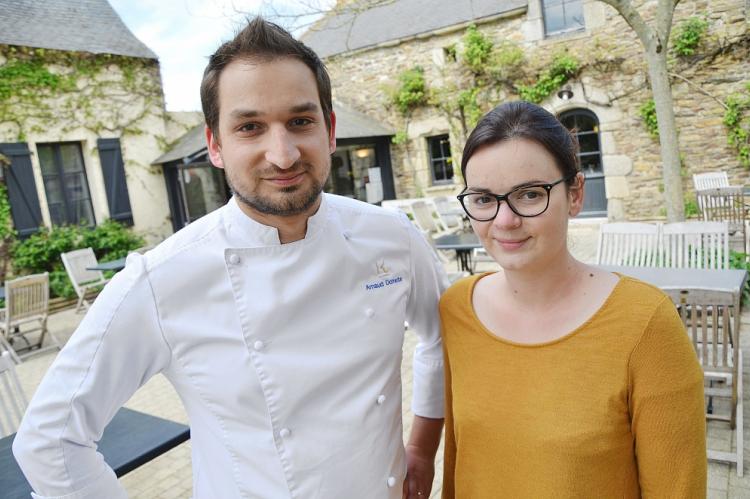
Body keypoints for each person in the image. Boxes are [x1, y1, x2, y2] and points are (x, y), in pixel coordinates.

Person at [13, 18, 447, 499]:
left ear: (330, 130)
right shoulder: (163, 279)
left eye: (300, 121)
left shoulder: (391, 236)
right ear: (215, 145)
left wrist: (423, 449)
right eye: (250, 127)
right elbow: (49, 442)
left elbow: (441, 338)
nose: (282, 155)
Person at [440, 101, 706, 497]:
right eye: (482, 199)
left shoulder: (645, 324)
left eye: (529, 195)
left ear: (575, 194)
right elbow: (460, 467)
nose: (504, 220)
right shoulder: (457, 308)